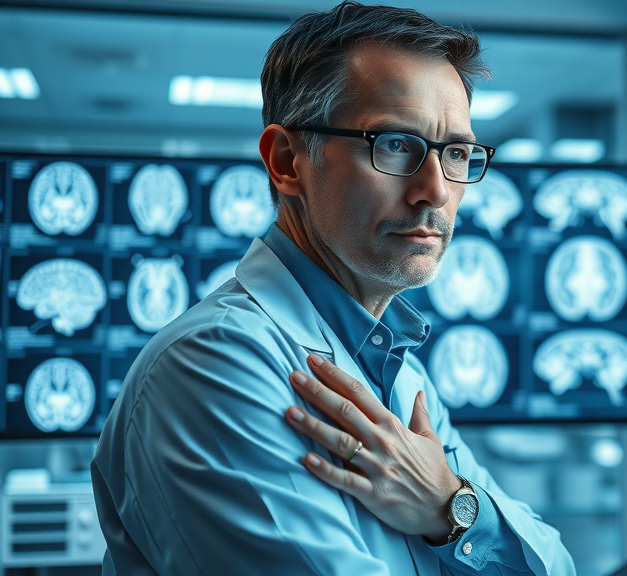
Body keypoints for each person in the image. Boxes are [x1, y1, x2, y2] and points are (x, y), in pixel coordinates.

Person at [90, 2, 576, 575]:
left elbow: (557, 564)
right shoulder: (214, 366)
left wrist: (451, 507)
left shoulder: (399, 373)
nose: (436, 191)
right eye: (395, 144)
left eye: (456, 153)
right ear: (288, 161)